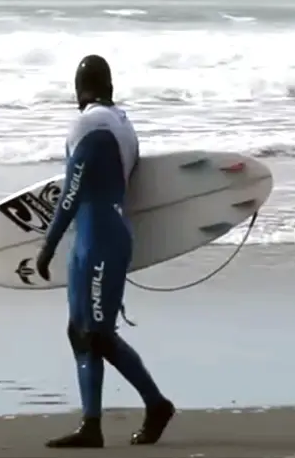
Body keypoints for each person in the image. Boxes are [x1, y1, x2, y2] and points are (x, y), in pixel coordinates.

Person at [35, 54, 175, 448]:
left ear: (79, 90)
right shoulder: (123, 124)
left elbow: (72, 192)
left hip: (98, 239)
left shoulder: (90, 123)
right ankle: (90, 426)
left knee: (96, 335)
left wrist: (47, 245)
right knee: (79, 332)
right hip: (99, 235)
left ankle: (156, 403)